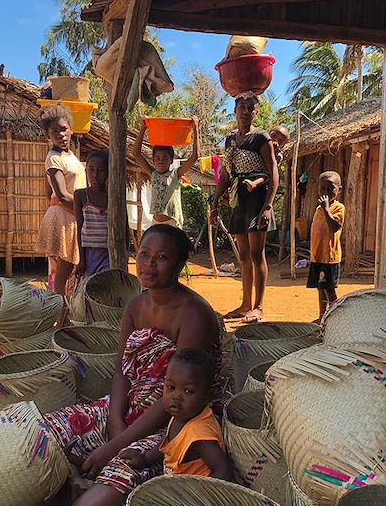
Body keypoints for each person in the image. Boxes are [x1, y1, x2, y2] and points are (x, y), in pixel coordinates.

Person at [44, 224, 223, 506]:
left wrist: (117, 445)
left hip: (174, 419)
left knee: (122, 471)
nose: (149, 264)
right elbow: (121, 372)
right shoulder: (136, 306)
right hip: (130, 404)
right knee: (50, 430)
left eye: (162, 257)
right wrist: (115, 421)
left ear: (178, 265)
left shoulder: (194, 314)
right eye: (143, 254)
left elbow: (180, 394)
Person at [210, 92, 279, 323]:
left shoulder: (262, 138)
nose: (246, 111)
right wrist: (215, 204)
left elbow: (273, 174)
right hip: (238, 200)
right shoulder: (230, 140)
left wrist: (267, 206)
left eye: (251, 107)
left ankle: (258, 306)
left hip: (257, 199)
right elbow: (225, 175)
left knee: (257, 254)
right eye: (242, 107)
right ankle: (245, 304)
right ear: (235, 110)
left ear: (256, 112)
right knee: (244, 256)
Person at [120, 348, 232, 480]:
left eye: (188, 391)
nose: (176, 397)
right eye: (171, 387)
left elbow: (223, 470)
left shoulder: (199, 434)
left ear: (206, 396)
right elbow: (169, 442)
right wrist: (145, 459)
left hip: (191, 492)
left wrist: (198, 497)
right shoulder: (182, 415)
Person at [36, 104, 87, 297]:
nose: (61, 135)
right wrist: (89, 207)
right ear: (48, 135)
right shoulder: (54, 158)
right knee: (63, 272)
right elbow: (63, 195)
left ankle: (64, 312)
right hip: (65, 216)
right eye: (54, 131)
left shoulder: (70, 156)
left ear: (71, 129)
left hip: (71, 214)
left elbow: (47, 190)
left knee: (67, 269)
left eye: (64, 129)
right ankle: (61, 314)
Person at [132, 117, 200, 228]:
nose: (161, 161)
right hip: (156, 222)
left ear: (171, 160)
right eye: (157, 158)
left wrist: (195, 130)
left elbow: (194, 157)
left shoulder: (175, 174)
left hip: (172, 223)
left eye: (165, 158)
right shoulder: (153, 174)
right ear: (153, 160)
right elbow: (136, 154)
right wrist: (143, 128)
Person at [308, 171, 345, 319]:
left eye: (331, 189)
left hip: (329, 257)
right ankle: (322, 316)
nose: (326, 192)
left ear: (339, 190)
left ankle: (335, 317)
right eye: (323, 189)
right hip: (317, 256)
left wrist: (326, 209)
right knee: (320, 288)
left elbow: (334, 227)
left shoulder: (338, 208)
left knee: (329, 289)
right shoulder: (318, 209)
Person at [75, 151, 110, 279]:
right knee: (89, 289)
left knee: (105, 288)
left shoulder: (113, 197)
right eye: (91, 170)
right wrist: (81, 259)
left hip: (108, 253)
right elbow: (79, 227)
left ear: (108, 172)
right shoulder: (81, 195)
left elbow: (123, 227)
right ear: (86, 171)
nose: (95, 175)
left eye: (101, 171)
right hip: (88, 253)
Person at [243, 124, 290, 193]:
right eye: (273, 135)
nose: (275, 139)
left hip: (262, 172)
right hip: (248, 168)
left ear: (282, 146)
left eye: (280, 140)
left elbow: (272, 168)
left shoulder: (278, 155)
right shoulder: (259, 142)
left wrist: (272, 150)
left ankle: (254, 184)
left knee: (265, 175)